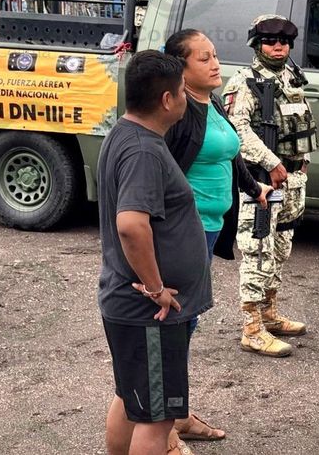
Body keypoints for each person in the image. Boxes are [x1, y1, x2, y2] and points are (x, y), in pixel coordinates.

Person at [97, 50, 211, 455]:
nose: (185, 98)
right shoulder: (144, 150)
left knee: (133, 401)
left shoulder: (124, 133)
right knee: (156, 417)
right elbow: (130, 224)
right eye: (182, 91)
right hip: (148, 312)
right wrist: (156, 287)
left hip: (130, 308)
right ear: (167, 100)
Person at [162, 29, 272, 445]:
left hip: (207, 231)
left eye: (214, 55)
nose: (215, 63)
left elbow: (231, 153)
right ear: (181, 68)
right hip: (182, 232)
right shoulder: (179, 113)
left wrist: (253, 187)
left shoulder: (210, 105)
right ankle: (166, 424)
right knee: (177, 325)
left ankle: (179, 412)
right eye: (204, 58)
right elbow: (158, 169)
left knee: (186, 323)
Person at [223, 14, 318, 357]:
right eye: (270, 41)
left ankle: (268, 312)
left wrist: (301, 163)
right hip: (262, 180)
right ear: (256, 44)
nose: (278, 46)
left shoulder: (291, 76)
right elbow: (239, 130)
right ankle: (251, 327)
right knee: (257, 249)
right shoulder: (244, 82)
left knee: (281, 246)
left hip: (292, 178)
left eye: (284, 41)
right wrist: (271, 162)